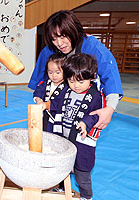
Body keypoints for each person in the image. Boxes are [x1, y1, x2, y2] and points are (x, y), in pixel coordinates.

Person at [28, 10, 123, 131]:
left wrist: (110, 109)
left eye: (63, 36)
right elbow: (39, 81)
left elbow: (110, 75)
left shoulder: (92, 46)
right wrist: (39, 100)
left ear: (73, 30)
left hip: (83, 105)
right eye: (54, 39)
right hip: (56, 109)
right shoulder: (49, 51)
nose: (59, 43)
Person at [40, 53, 106, 200]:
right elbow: (56, 103)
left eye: (81, 81)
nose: (75, 85)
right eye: (70, 80)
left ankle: (86, 196)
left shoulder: (95, 95)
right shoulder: (67, 90)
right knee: (63, 165)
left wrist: (86, 123)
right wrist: (46, 105)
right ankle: (62, 187)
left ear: (92, 77)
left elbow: (97, 115)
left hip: (83, 142)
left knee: (82, 172)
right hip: (65, 137)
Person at [33, 53, 66, 131]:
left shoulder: (67, 86)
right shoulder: (46, 83)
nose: (54, 75)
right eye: (50, 72)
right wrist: (38, 99)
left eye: (58, 72)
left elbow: (61, 101)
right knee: (44, 131)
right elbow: (39, 90)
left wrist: (47, 104)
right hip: (46, 116)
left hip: (58, 118)